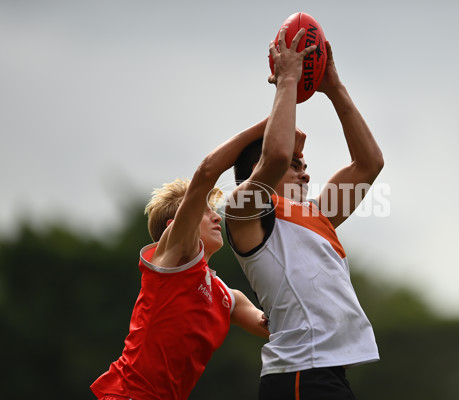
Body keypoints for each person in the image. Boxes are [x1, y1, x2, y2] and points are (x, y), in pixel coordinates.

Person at [225, 27, 385, 400]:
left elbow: (369, 163)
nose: (305, 170)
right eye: (297, 164)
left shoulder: (314, 215)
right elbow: (276, 154)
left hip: (323, 374)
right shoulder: (244, 211)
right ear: (257, 170)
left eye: (303, 163)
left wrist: (334, 87)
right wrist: (287, 82)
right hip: (300, 373)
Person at [90, 117, 278, 400]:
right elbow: (207, 171)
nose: (216, 216)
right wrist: (268, 125)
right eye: (204, 211)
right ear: (174, 228)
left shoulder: (228, 298)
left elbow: (274, 326)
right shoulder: (173, 259)